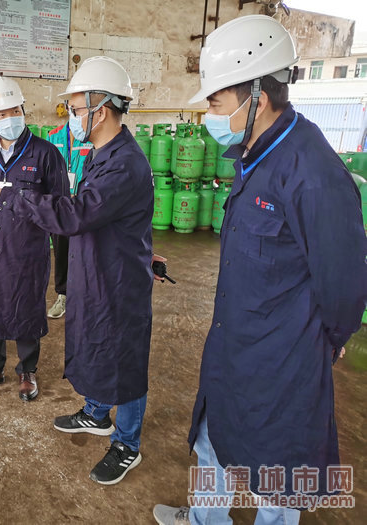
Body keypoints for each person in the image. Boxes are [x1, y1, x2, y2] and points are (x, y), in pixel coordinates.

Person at [152, 16, 367, 525]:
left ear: (258, 97)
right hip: (235, 337)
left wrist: (327, 339)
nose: (209, 113)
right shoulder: (253, 154)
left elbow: (343, 280)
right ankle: (207, 519)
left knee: (280, 462)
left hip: (285, 351)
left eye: (215, 101)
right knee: (213, 439)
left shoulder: (312, 173)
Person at [0, 56, 156, 484]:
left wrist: (9, 196)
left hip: (118, 280)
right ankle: (95, 414)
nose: (70, 116)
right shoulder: (101, 154)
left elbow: (74, 214)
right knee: (94, 342)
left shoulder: (124, 163)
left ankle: (126, 443)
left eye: (74, 108)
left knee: (123, 358)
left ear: (100, 109)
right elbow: (116, 218)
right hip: (99, 268)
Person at [0, 76, 69, 401]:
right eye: (1, 114)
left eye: (14, 110)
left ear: (24, 109)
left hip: (29, 248)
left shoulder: (46, 155)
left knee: (27, 305)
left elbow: (60, 206)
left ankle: (27, 370)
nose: (9, 119)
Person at [45, 122, 92, 319]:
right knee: (62, 252)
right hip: (60, 205)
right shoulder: (53, 136)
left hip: (85, 205)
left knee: (87, 251)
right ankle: (63, 295)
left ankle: (86, 298)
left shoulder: (91, 136)